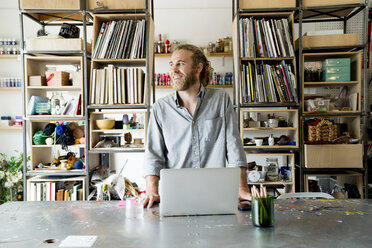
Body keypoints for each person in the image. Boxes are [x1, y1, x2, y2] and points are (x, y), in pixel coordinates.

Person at [143, 44, 251, 208]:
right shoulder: (160, 108)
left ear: (198, 68)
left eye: (180, 63)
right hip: (175, 196)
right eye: (171, 64)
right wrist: (152, 191)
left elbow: (233, 145)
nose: (173, 70)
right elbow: (153, 154)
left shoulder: (220, 100)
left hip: (216, 195)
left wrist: (242, 187)